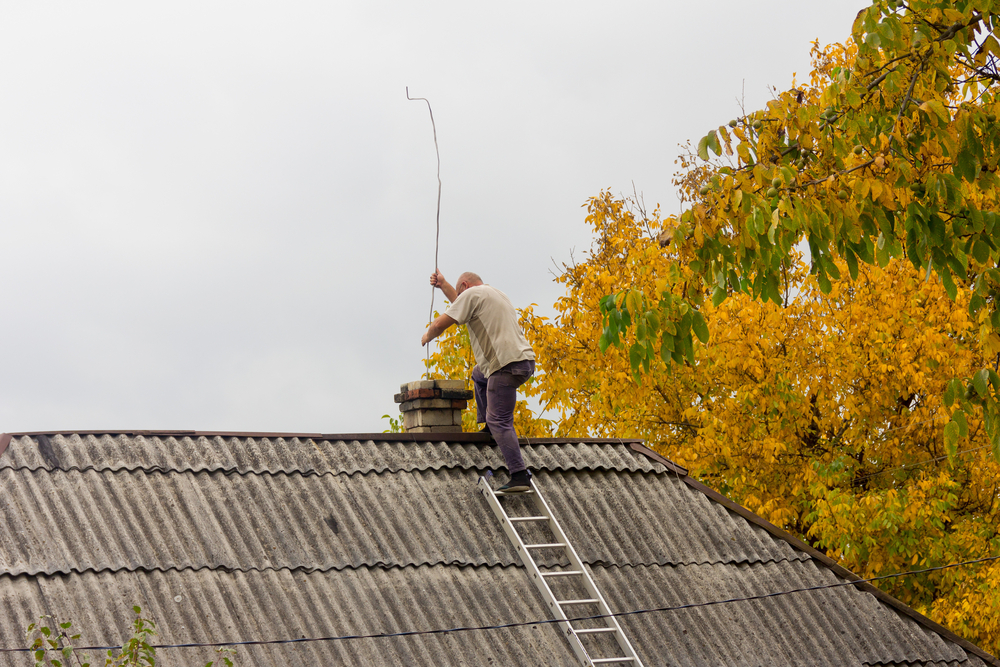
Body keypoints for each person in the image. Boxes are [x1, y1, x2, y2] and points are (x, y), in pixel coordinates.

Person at [421, 270, 536, 493]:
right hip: (523, 361)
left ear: (464, 286)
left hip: (505, 366)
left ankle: (519, 475)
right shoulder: (494, 293)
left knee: (500, 419)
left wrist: (427, 335)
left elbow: (441, 324)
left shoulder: (471, 296)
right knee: (478, 373)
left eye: (458, 291)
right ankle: (489, 428)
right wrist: (444, 285)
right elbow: (460, 303)